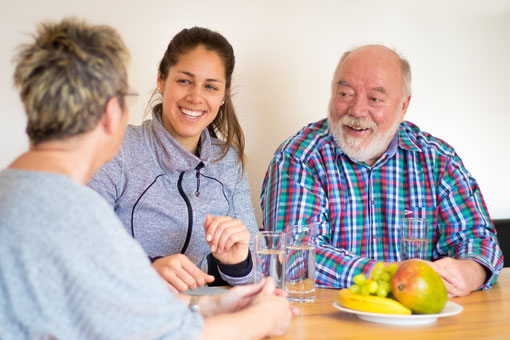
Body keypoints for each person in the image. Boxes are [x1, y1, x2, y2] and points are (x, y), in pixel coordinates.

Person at [0, 18, 294, 339]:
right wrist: (263, 319)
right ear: (112, 113)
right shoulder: (77, 215)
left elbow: (112, 308)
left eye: (210, 85)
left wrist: (209, 307)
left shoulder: (17, 189)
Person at [261, 44, 503, 297]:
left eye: (375, 99)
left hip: (422, 319)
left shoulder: (437, 160)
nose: (356, 110)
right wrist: (391, 275)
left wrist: (470, 271)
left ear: (403, 107)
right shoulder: (299, 157)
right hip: (333, 321)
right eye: (345, 94)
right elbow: (294, 258)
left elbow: (479, 239)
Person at [88, 27, 258, 292]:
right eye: (184, 81)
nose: (196, 97)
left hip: (194, 315)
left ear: (223, 95)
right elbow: (77, 246)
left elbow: (259, 273)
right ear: (161, 79)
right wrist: (147, 269)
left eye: (211, 86)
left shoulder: (228, 161)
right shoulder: (116, 149)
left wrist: (238, 262)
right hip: (120, 311)